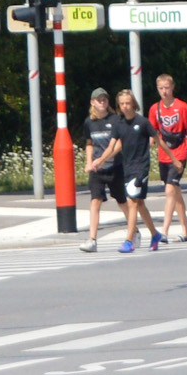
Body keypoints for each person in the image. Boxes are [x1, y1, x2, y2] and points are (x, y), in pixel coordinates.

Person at [148, 72, 187, 244]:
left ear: (172, 87)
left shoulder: (182, 107)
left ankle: (164, 232)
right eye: (161, 88)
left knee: (169, 190)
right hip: (164, 154)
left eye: (167, 88)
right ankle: (186, 230)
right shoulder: (155, 109)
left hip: (180, 153)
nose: (164, 91)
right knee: (175, 193)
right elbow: (153, 133)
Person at [111, 88, 155, 252]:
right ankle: (155, 233)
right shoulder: (119, 124)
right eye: (122, 104)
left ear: (133, 103)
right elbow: (115, 146)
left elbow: (157, 139)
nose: (125, 106)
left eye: (128, 103)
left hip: (141, 168)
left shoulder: (142, 122)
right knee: (140, 204)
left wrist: (173, 159)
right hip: (127, 167)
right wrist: (100, 160)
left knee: (132, 202)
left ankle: (129, 240)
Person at [81, 88, 122, 253]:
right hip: (97, 169)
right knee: (95, 201)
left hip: (115, 166)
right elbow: (89, 144)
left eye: (104, 99)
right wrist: (89, 162)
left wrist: (103, 159)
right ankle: (92, 239)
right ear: (93, 103)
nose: (102, 102)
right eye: (99, 100)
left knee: (122, 201)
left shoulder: (115, 120)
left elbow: (119, 144)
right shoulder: (89, 122)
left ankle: (133, 231)